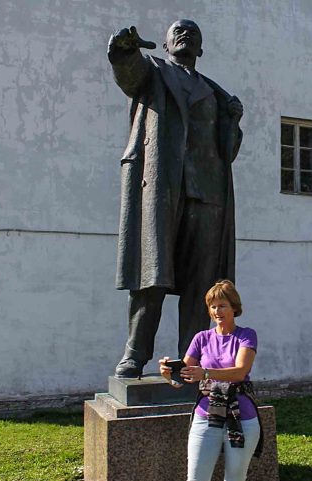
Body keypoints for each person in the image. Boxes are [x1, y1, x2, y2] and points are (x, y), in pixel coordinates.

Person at [107, 19, 243, 378]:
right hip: (163, 185)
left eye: (194, 33)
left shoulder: (215, 94)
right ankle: (135, 354)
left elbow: (226, 152)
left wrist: (233, 120)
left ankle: (192, 359)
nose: (186, 34)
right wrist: (124, 49)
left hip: (207, 193)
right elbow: (128, 74)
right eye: (178, 31)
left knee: (203, 284)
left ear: (201, 49)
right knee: (152, 274)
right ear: (165, 45)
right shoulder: (154, 73)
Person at [159, 280, 262, 481]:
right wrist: (169, 373)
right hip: (206, 415)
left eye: (222, 305)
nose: (217, 311)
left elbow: (240, 372)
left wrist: (205, 373)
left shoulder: (246, 335)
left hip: (241, 417)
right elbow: (186, 373)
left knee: (235, 480)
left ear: (234, 307)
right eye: (213, 306)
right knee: (196, 480)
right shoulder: (202, 338)